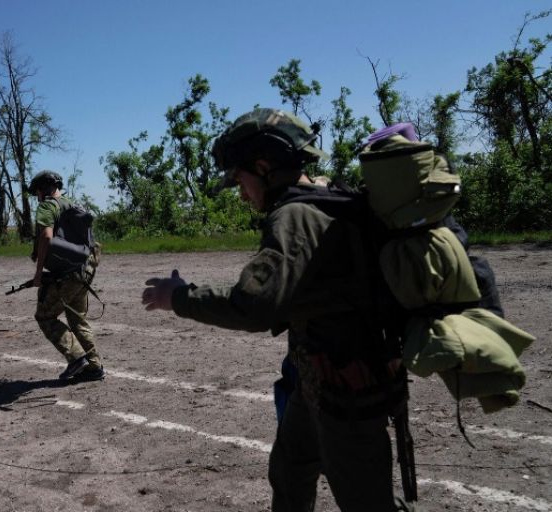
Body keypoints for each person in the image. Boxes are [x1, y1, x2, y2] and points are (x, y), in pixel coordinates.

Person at [141, 109, 410, 511]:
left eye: (239, 180)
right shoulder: (328, 198)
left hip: (347, 391)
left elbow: (253, 306)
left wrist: (177, 296)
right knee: (289, 470)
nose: (240, 192)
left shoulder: (294, 215)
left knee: (366, 502)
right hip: (318, 379)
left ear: (264, 166)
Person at [29, 170, 104, 383]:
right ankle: (94, 366)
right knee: (77, 319)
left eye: (37, 192)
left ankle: (76, 357)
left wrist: (38, 273)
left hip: (68, 274)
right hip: (85, 270)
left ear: (43, 189)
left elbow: (46, 237)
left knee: (45, 316)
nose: (37, 196)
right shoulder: (72, 205)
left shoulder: (48, 206)